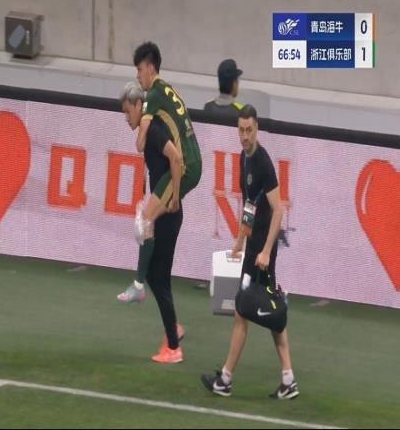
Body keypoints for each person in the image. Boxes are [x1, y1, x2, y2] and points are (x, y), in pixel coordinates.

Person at [201, 105, 299, 400]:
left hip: (262, 253)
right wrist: (240, 241)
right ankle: (287, 379)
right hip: (253, 247)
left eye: (249, 130)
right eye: (241, 130)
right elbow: (249, 205)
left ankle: (227, 379)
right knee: (255, 311)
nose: (244, 136)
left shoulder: (263, 163)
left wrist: (266, 251)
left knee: (250, 312)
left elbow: (278, 209)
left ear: (256, 130)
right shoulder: (243, 159)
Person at [117, 41, 202, 305]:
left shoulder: (153, 95)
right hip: (193, 161)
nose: (138, 76)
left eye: (139, 70)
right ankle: (144, 280)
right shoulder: (167, 90)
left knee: (144, 219)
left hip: (185, 167)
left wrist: (175, 196)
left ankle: (139, 284)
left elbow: (140, 142)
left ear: (151, 68)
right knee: (147, 218)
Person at [119, 81, 186, 363]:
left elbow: (177, 158)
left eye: (128, 111)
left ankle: (174, 347)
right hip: (163, 210)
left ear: (139, 105)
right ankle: (173, 330)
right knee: (159, 278)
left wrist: (175, 197)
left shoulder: (156, 130)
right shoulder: (148, 132)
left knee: (158, 277)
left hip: (169, 213)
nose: (126, 117)